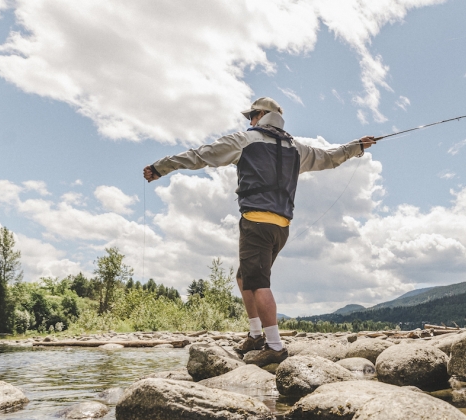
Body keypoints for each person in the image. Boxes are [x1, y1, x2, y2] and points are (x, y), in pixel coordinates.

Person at [144, 97, 376, 365]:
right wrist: (357, 146)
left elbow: (200, 155)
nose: (249, 121)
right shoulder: (296, 148)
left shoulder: (245, 140)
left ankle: (275, 346)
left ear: (261, 115)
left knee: (257, 283)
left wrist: (161, 168)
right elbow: (330, 157)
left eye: (251, 115)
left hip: (256, 221)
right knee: (245, 277)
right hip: (281, 228)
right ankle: (256, 335)